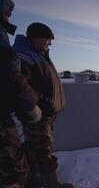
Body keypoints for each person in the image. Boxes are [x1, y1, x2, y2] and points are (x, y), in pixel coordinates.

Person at [12, 23, 74, 188]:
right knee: (42, 149)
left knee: (35, 149)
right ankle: (53, 185)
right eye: (48, 39)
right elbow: (20, 85)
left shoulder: (38, 53)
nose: (50, 43)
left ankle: (32, 181)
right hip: (37, 114)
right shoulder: (23, 54)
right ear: (35, 38)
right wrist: (41, 103)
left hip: (45, 113)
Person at [0, 0, 42, 187]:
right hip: (4, 118)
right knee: (13, 171)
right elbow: (11, 75)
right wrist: (31, 106)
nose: (8, 16)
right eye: (6, 12)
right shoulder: (20, 53)